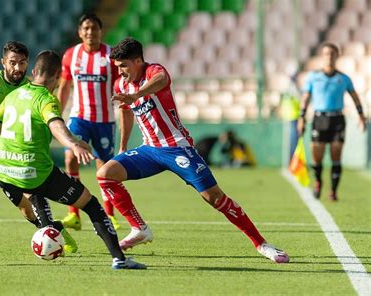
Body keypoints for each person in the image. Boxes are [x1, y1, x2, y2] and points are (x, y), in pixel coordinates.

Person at [96, 37, 289, 263]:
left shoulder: (153, 71)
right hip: (149, 150)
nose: (121, 72)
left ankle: (262, 244)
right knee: (105, 175)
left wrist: (136, 95)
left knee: (214, 198)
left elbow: (161, 79)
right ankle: (139, 228)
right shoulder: (121, 85)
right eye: (118, 67)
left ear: (138, 61)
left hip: (177, 148)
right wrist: (123, 145)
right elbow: (126, 111)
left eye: (124, 66)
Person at [0, 50, 146, 269]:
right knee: (90, 204)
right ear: (59, 76)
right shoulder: (47, 99)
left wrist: (16, 140)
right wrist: (73, 144)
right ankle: (119, 259)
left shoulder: (14, 95)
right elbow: (57, 126)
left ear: (33, 71)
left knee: (36, 193)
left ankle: (47, 232)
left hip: (8, 171)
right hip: (37, 173)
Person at [0, 41, 76, 255]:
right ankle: (56, 231)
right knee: (26, 208)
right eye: (12, 63)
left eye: (22, 63)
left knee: (0, 181)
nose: (17, 68)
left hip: (13, 154)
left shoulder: (28, 88)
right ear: (3, 62)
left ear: (28, 63)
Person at [58, 13, 120, 231]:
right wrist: (57, 113)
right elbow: (64, 86)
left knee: (104, 168)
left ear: (100, 31)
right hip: (79, 117)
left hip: (105, 120)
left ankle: (109, 215)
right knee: (70, 156)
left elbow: (121, 84)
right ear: (79, 32)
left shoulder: (111, 55)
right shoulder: (71, 55)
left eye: (94, 28)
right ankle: (73, 213)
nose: (90, 32)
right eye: (86, 28)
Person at [297, 42, 366, 201]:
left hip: (337, 120)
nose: (329, 56)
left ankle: (333, 191)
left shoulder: (343, 78)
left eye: (332, 53)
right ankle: (318, 182)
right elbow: (305, 98)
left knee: (336, 155)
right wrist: (301, 117)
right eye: (326, 53)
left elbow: (355, 97)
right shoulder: (313, 77)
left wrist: (361, 116)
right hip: (319, 118)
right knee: (317, 156)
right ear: (322, 56)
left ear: (337, 56)